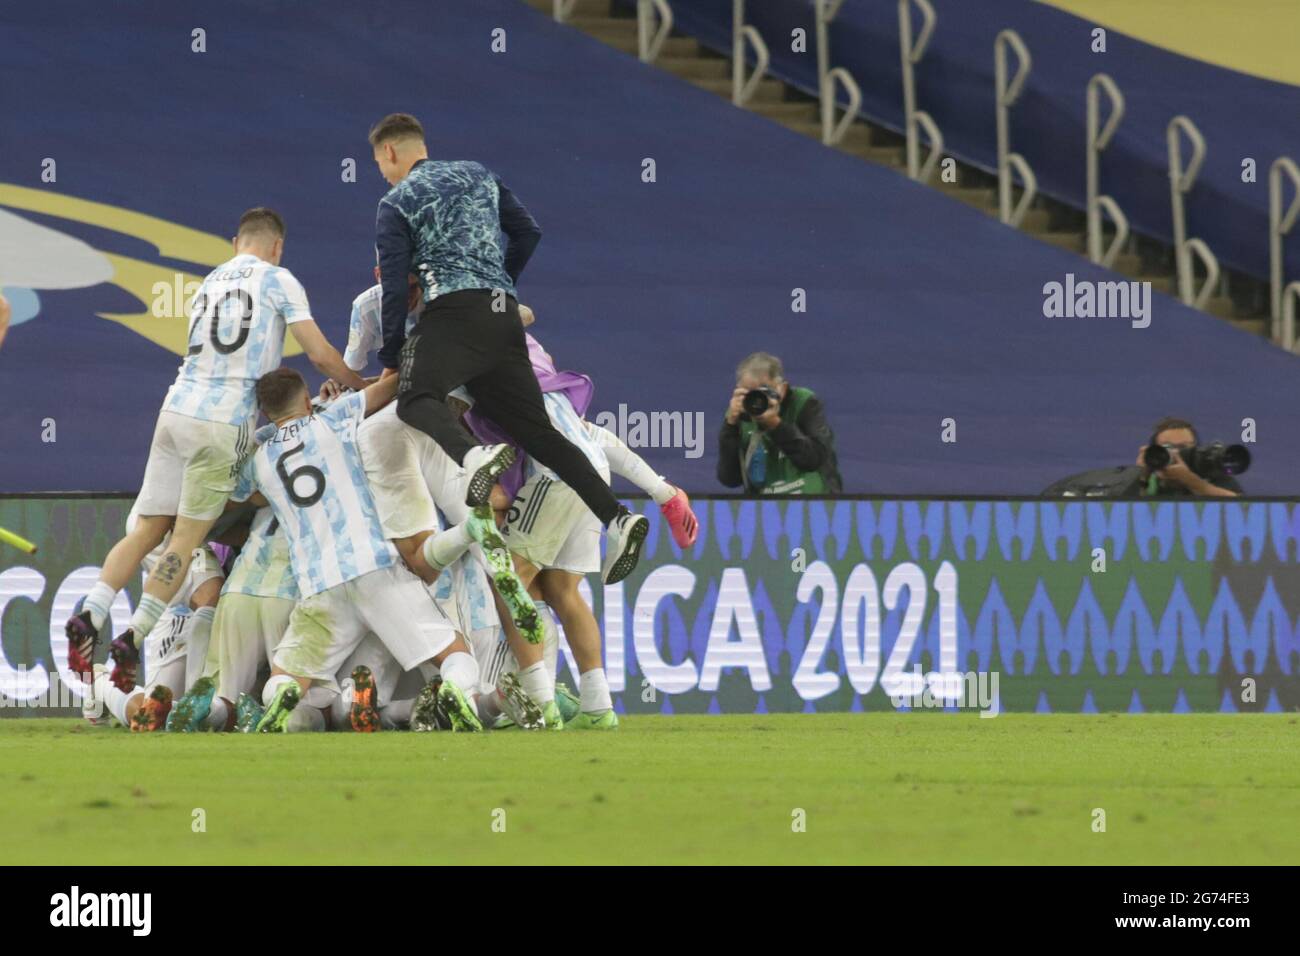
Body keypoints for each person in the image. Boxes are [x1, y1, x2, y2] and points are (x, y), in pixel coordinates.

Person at [65, 208, 365, 681]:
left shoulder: (208, 283)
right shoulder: (279, 279)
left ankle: (93, 611)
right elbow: (319, 353)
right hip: (222, 422)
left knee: (146, 529)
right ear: (277, 246)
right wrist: (356, 384)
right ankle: (133, 637)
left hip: (175, 410)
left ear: (235, 243)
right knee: (184, 539)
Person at [367, 112, 648, 584]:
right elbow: (528, 231)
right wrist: (500, 288)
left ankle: (474, 456)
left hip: (450, 315)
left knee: (416, 399)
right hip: (502, 319)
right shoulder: (479, 174)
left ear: (390, 153)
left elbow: (395, 287)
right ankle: (616, 516)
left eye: (379, 163)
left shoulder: (396, 202)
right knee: (539, 432)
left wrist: (392, 353)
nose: (382, 172)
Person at [230, 367, 486, 732]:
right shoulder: (334, 417)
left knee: (287, 675)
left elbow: (239, 496)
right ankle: (456, 689)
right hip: (375, 565)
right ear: (306, 399)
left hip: (319, 583)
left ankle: (281, 694)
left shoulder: (258, 462)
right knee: (453, 653)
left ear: (265, 413)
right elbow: (390, 389)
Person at [718, 352, 842, 494]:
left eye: (763, 391)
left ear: (782, 388)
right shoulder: (740, 412)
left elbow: (814, 459)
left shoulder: (804, 402)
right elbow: (730, 479)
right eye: (749, 393)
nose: (757, 400)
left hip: (814, 505)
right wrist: (730, 426)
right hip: (765, 509)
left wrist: (775, 425)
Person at [1132, 417, 1243, 498]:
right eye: (1167, 447)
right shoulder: (1149, 480)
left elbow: (1245, 512)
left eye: (1183, 447)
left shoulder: (1214, 476)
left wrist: (1191, 481)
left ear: (1195, 448)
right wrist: (1140, 477)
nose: (1175, 452)